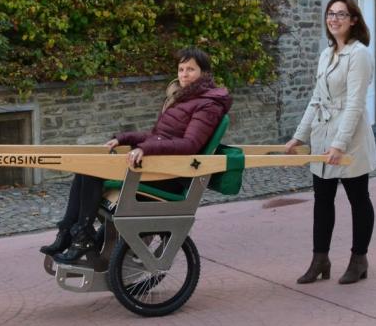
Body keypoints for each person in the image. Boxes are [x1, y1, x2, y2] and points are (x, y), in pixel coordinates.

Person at [41, 48, 232, 263]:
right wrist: (123, 138)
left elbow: (189, 144)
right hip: (159, 165)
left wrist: (146, 149)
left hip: (170, 174)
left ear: (204, 73)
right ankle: (70, 231)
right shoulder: (184, 98)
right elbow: (157, 136)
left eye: (190, 69)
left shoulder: (207, 104)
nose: (184, 74)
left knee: (93, 172)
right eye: (181, 69)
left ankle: (83, 236)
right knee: (85, 169)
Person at [285, 0, 376, 285]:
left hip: (349, 138)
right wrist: (299, 137)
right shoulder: (326, 54)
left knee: (357, 198)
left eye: (341, 14)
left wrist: (339, 144)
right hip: (322, 135)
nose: (334, 18)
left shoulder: (359, 54)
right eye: (330, 13)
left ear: (353, 20)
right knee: (322, 200)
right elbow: (316, 99)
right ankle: (320, 259)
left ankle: (359, 259)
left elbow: (355, 104)